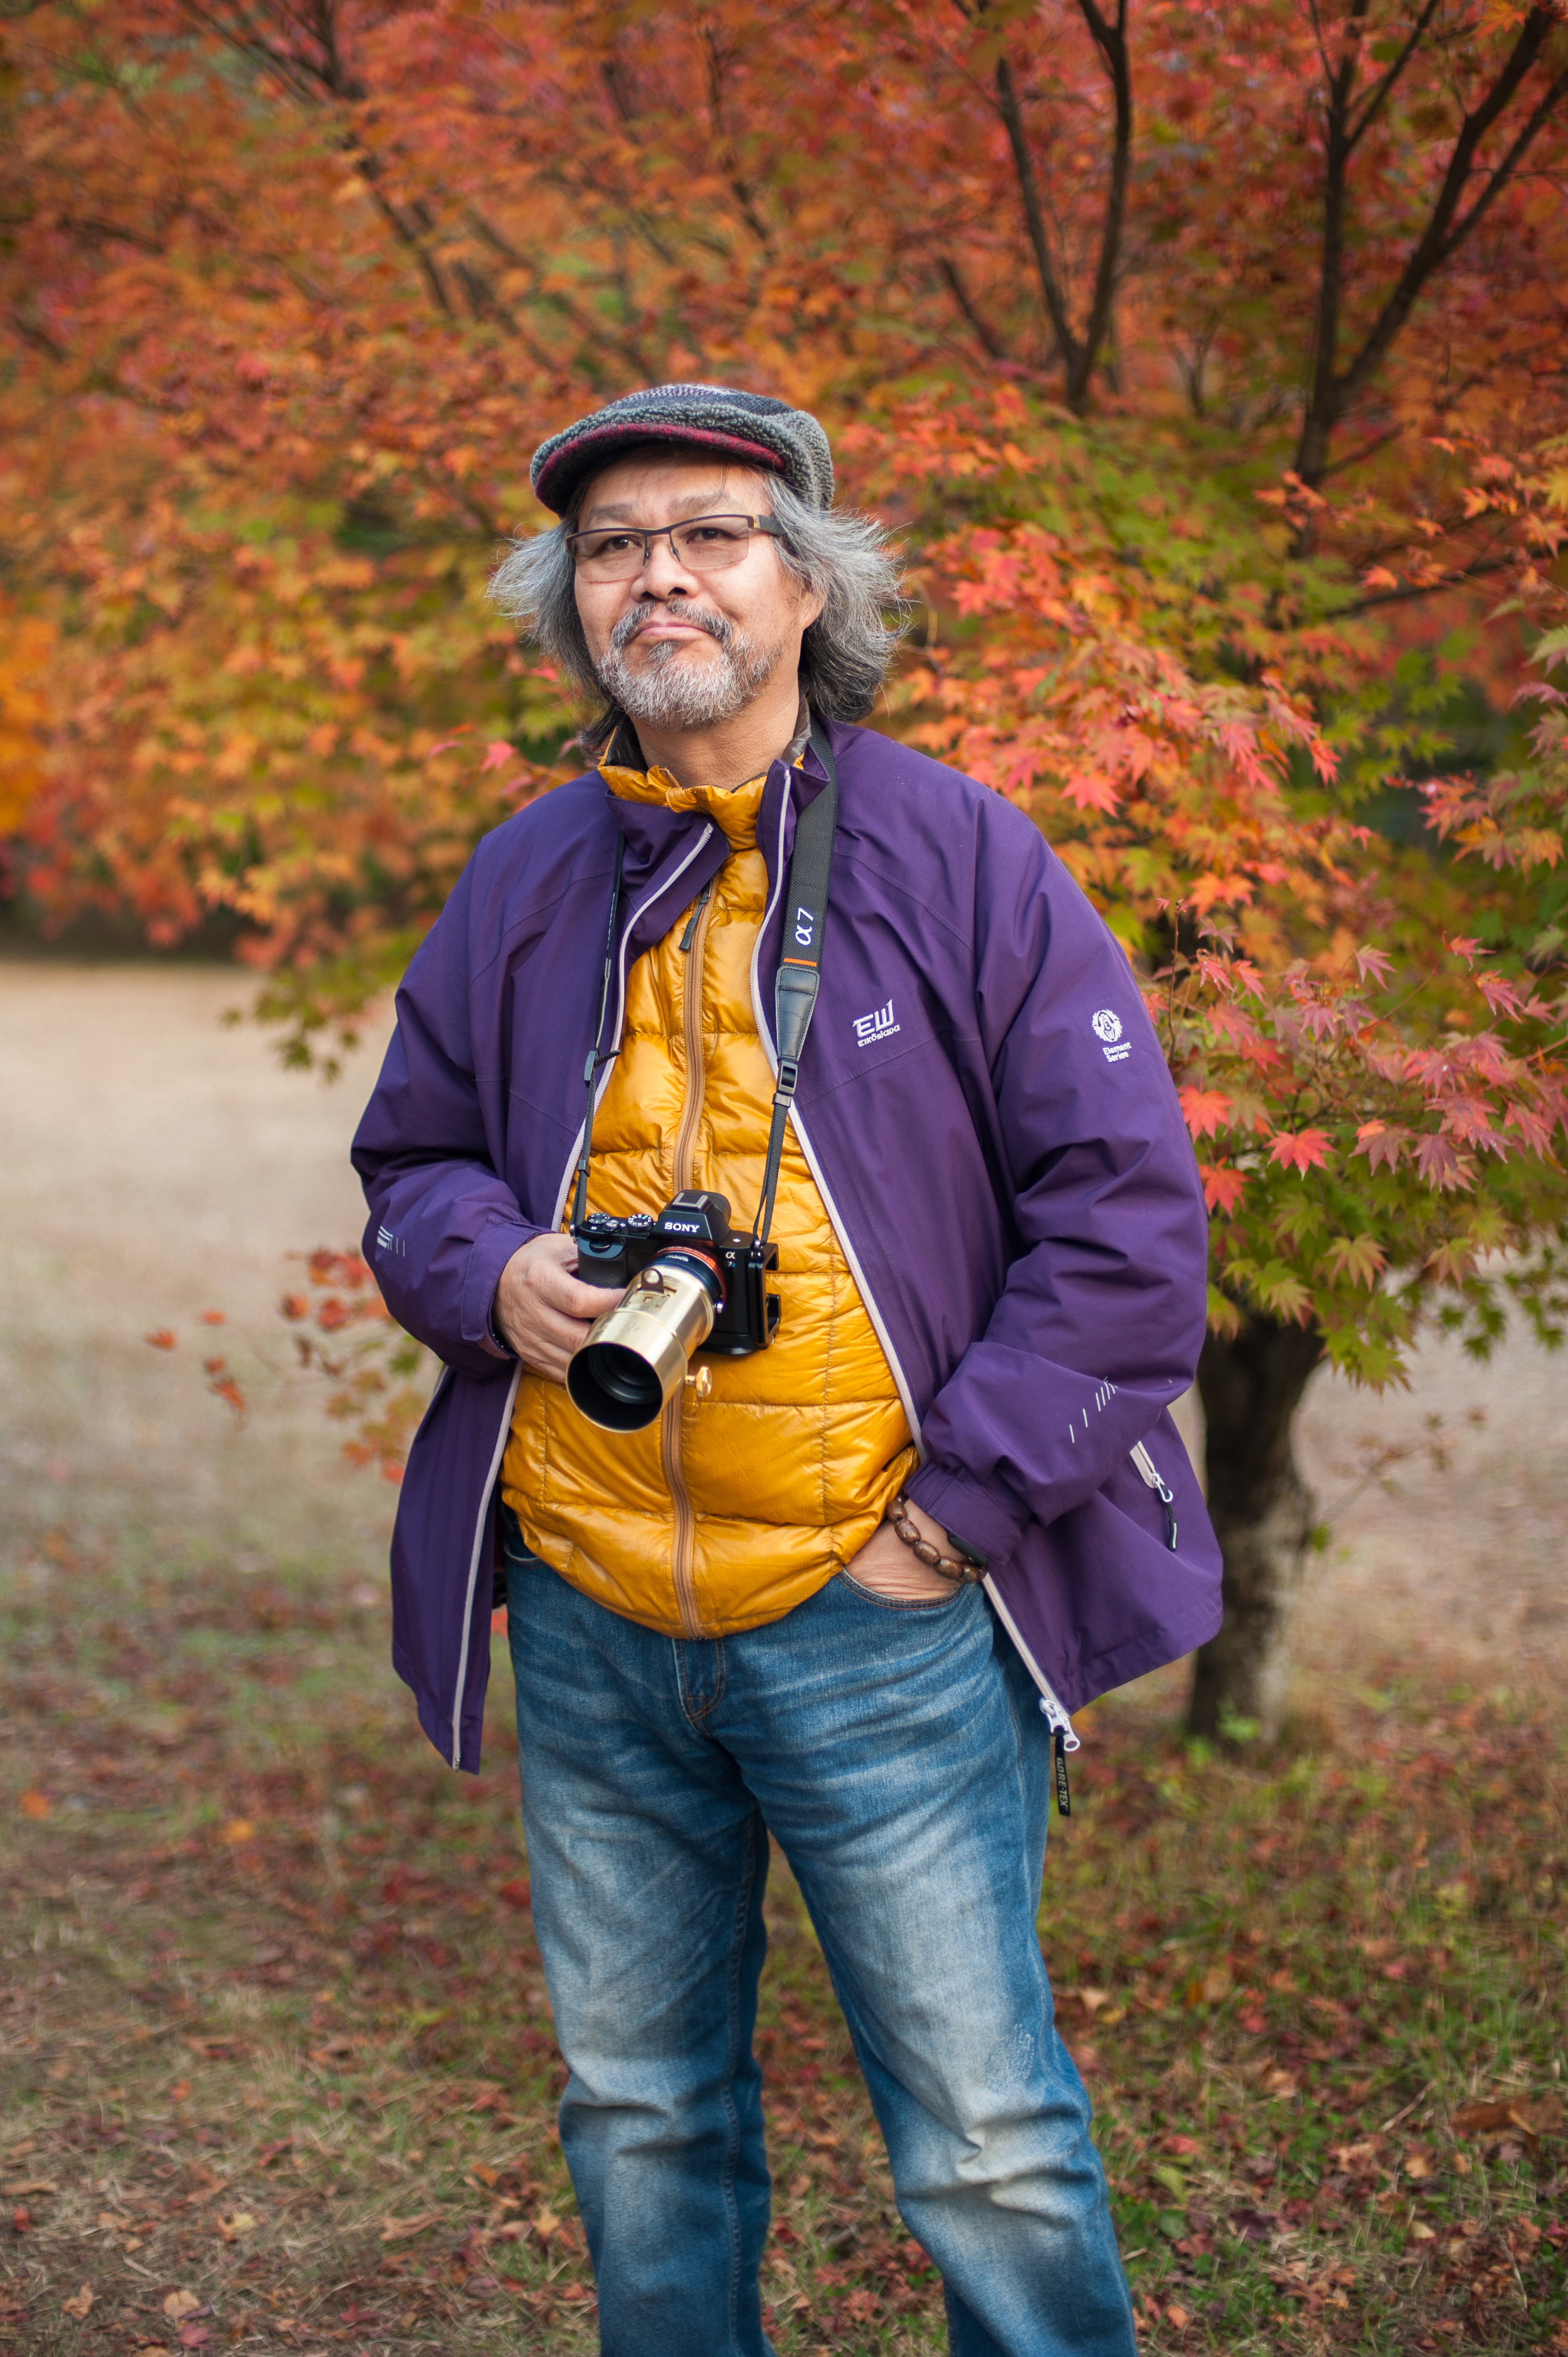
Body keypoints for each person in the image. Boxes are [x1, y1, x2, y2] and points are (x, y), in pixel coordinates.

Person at [351, 381, 1222, 2357]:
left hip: (878, 1605)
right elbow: (411, 1163)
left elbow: (1125, 1230)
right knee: (640, 2116)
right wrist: (493, 1278)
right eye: (608, 545)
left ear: (808, 588)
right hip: (585, 1606)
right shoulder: (524, 873)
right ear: (568, 603)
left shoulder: (960, 856)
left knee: (984, 2143)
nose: (653, 573)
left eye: (708, 534)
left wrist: (956, 1517)